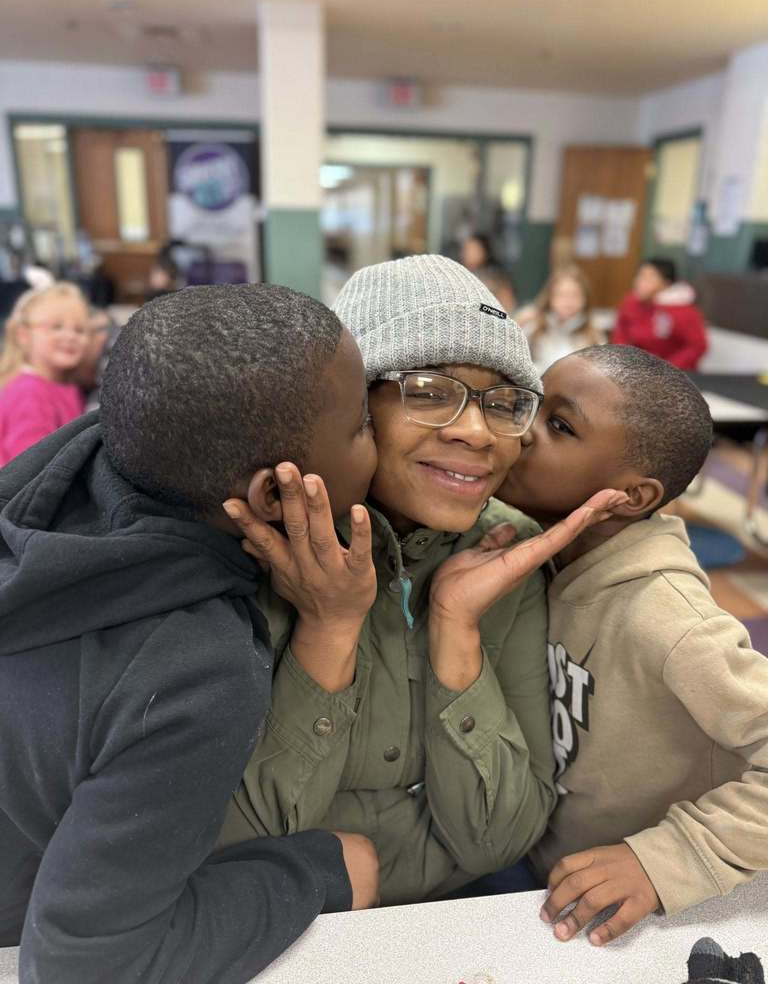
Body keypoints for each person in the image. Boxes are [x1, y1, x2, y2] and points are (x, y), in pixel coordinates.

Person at [0, 283, 381, 984]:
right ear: (274, 495)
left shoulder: (65, 470)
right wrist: (317, 871)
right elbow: (81, 965)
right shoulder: (194, 666)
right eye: (362, 424)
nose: (378, 438)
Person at [218, 255, 623, 906]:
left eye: (504, 404)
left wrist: (456, 629)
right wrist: (328, 626)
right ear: (352, 408)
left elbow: (501, 838)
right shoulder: (257, 543)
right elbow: (239, 839)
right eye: (430, 390)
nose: (475, 430)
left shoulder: (509, 552)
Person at [496, 345, 768, 946]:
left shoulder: (666, 618)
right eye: (532, 405)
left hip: (631, 910)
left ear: (634, 498)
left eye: (559, 426)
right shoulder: (547, 549)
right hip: (542, 861)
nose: (522, 431)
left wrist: (669, 858)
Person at [0, 282, 89, 465]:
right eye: (57, 327)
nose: (70, 336)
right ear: (24, 335)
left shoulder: (62, 385)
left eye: (79, 330)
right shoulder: (30, 393)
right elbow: (29, 467)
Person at [612, 258, 708, 370]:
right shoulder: (631, 302)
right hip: (634, 370)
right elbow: (621, 332)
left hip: (672, 375)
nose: (639, 281)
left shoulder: (683, 309)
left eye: (649, 277)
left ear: (666, 283)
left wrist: (665, 370)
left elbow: (697, 346)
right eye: (640, 276)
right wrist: (624, 359)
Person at [521, 264, 603, 373]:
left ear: (585, 299)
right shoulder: (534, 328)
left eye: (575, 295)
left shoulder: (594, 335)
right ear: (550, 297)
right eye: (561, 295)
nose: (568, 302)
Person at [460, 233, 517, 313]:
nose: (468, 253)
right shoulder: (459, 275)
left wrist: (480, 308)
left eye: (474, 249)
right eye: (466, 249)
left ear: (484, 251)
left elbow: (505, 311)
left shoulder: (496, 277)